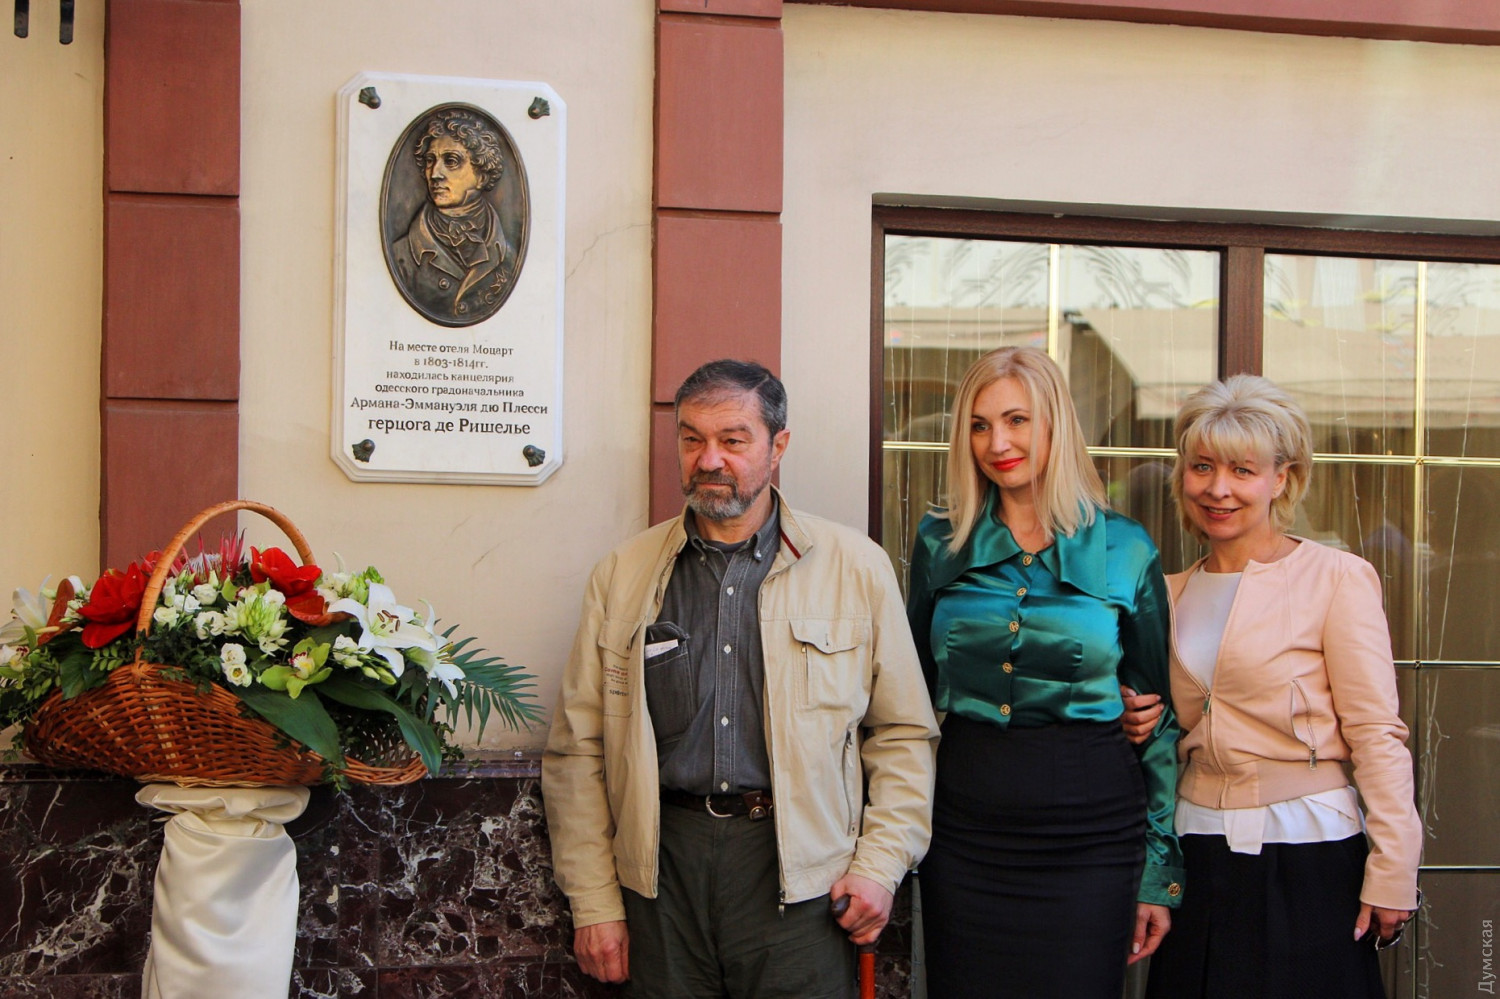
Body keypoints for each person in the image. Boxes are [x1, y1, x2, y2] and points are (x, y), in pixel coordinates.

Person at [542, 359, 939, 998]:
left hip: (802, 882)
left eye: (733, 440)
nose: (709, 460)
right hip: (662, 876)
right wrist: (593, 901)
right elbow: (578, 750)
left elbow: (901, 735)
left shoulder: (855, 569)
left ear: (778, 447)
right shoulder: (624, 574)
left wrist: (879, 866)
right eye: (692, 439)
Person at [1121, 375, 1421, 998]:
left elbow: (1375, 731)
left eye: (1243, 470)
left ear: (1282, 478)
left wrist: (1394, 866)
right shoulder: (1164, 594)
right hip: (1195, 848)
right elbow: (1162, 732)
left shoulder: (1336, 578)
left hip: (1307, 846)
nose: (1218, 488)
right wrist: (1133, 718)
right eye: (1202, 467)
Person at [906, 346, 1183, 999]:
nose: (997, 443)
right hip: (965, 828)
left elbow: (1158, 719)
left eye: (1016, 420)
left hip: (1090, 836)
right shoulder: (938, 541)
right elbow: (906, 693)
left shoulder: (1125, 546)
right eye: (980, 425)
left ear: (1055, 424)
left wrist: (1158, 871)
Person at [389, 108, 520, 324]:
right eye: (430, 160)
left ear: (482, 174)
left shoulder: (509, 257)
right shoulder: (401, 255)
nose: (435, 174)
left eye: (451, 161)